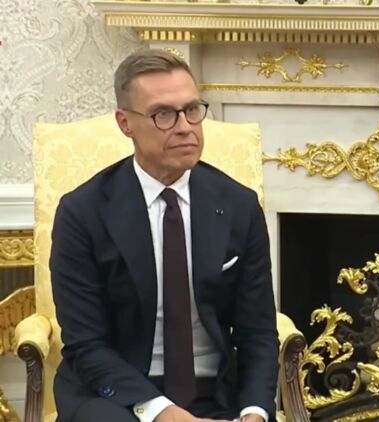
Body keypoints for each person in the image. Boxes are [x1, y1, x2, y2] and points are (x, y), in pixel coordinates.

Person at [50, 49, 278, 422]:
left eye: (192, 109)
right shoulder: (83, 212)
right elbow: (86, 344)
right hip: (116, 394)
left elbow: (258, 332)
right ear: (125, 123)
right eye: (164, 115)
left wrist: (255, 412)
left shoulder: (239, 205)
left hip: (215, 389)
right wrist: (162, 412)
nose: (185, 126)